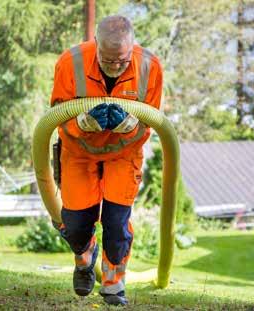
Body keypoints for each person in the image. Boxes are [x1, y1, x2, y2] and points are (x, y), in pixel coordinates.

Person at [49, 15, 163, 306]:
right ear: (96, 45)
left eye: (122, 61)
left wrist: (131, 126)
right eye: (107, 59)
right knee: (74, 224)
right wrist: (82, 122)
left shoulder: (150, 67)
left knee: (117, 224)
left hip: (123, 155)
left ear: (132, 47)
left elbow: (151, 119)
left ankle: (114, 285)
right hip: (79, 153)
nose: (114, 66)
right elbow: (57, 114)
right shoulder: (70, 63)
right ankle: (85, 258)